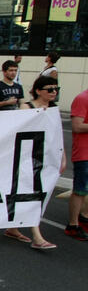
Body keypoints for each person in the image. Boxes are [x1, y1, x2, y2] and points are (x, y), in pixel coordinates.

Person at [2, 76, 61, 249]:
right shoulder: (26, 107)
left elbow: (57, 137)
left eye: (55, 89)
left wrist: (62, 157)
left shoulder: (54, 109)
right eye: (49, 89)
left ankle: (12, 228)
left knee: (36, 192)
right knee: (33, 192)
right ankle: (37, 237)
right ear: (38, 90)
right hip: (26, 156)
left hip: (46, 157)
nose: (53, 92)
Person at [65, 85, 88, 241]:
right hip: (84, 153)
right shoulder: (82, 98)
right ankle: (73, 225)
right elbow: (77, 126)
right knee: (80, 189)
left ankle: (84, 217)